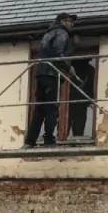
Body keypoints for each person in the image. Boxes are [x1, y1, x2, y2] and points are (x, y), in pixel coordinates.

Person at [25, 12, 81, 148]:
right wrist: (69, 69)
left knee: (39, 108)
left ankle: (30, 141)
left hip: (41, 73)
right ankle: (49, 139)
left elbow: (50, 51)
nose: (72, 24)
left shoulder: (48, 33)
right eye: (69, 21)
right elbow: (58, 53)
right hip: (52, 74)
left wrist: (73, 46)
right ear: (61, 21)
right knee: (52, 108)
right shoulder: (62, 33)